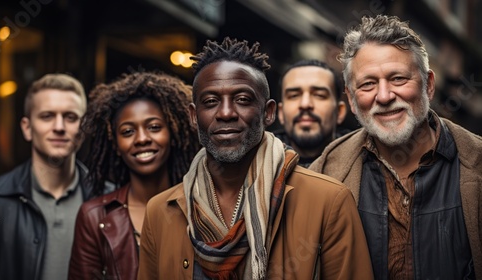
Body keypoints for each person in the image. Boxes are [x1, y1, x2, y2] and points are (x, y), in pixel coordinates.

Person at [137, 37, 373, 279]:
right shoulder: (159, 212)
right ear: (194, 116)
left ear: (269, 113)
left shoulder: (329, 202)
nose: (226, 113)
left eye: (242, 100)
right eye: (210, 102)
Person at [309, 15, 482, 279]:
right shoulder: (327, 171)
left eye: (398, 78)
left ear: (429, 85)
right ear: (352, 100)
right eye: (368, 84)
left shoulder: (476, 163)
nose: (385, 96)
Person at [67, 71, 201, 280]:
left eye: (154, 127)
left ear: (172, 133)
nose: (141, 139)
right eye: (128, 131)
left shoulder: (201, 207)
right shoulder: (94, 216)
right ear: (116, 144)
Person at [0, 73, 99, 280]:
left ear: (83, 129)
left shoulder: (108, 199)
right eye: (47, 116)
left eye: (70, 117)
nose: (59, 127)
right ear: (27, 128)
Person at [274, 59, 347, 167]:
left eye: (319, 95)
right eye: (294, 96)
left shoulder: (365, 163)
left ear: (339, 111)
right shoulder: (255, 162)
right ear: (280, 113)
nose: (305, 104)